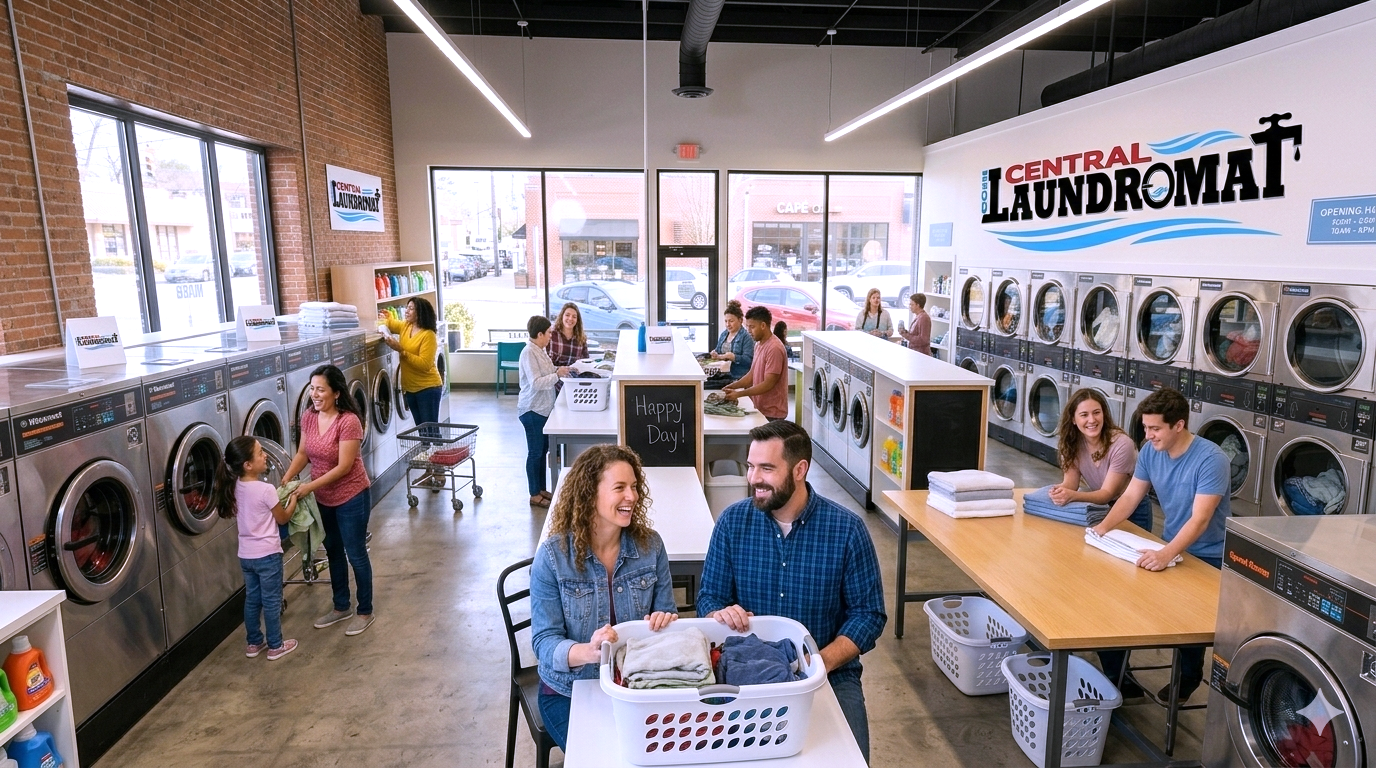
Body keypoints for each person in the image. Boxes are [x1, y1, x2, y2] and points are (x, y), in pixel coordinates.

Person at [697, 420, 886, 763]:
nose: (754, 478)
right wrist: (719, 613)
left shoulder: (847, 530)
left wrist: (818, 663)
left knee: (850, 761)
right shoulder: (732, 522)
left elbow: (868, 615)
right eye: (751, 466)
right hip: (744, 671)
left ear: (800, 470)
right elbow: (709, 597)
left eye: (767, 468)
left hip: (829, 674)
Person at [530, 445, 679, 751]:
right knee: (605, 756)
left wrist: (664, 621)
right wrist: (588, 651)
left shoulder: (651, 546)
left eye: (634, 487)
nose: (632, 497)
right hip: (569, 692)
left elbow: (667, 615)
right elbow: (544, 643)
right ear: (589, 494)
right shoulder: (553, 557)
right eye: (620, 488)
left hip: (638, 687)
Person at [1089, 387, 1230, 703]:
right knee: (1116, 599)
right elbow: (1129, 497)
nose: (1148, 435)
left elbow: (1200, 519)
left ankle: (1189, 675)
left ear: (1178, 425)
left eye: (1155, 429)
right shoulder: (1151, 452)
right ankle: (1118, 677)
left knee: (1187, 619)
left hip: (1210, 555)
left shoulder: (1211, 460)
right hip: (1171, 545)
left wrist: (1167, 554)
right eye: (1146, 428)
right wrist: (1100, 530)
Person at [283, 364, 376, 637]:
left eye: (320, 389)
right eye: (312, 388)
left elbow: (344, 467)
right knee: (333, 550)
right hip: (322, 497)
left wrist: (308, 486)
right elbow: (303, 453)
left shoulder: (349, 421)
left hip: (352, 495)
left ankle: (365, 611)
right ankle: (340, 606)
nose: (315, 394)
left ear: (336, 392)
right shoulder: (309, 416)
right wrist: (287, 477)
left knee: (355, 553)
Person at [213, 436, 298, 661]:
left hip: (246, 556)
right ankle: (276, 645)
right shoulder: (266, 489)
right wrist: (293, 501)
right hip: (268, 555)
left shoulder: (235, 487)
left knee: (253, 599)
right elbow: (282, 519)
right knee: (271, 601)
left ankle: (253, 643)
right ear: (247, 465)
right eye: (260, 453)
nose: (266, 455)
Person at [1051, 388, 1153, 532]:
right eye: (1084, 415)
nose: (1092, 420)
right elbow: (1071, 484)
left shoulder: (1121, 444)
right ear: (1073, 419)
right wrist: (1059, 491)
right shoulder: (1071, 443)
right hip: (1098, 506)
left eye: (1097, 413)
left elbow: (1107, 494)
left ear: (1104, 414)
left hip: (1132, 511)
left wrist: (1072, 496)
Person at [378, 297, 444, 487]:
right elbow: (390, 323)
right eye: (406, 308)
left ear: (420, 313)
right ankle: (429, 470)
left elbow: (425, 365)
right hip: (411, 389)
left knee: (431, 431)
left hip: (428, 388)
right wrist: (385, 318)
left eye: (411, 309)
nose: (407, 312)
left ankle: (439, 474)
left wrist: (402, 351)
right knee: (423, 431)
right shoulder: (406, 327)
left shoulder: (428, 335)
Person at [519, 315, 570, 507]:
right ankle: (534, 494)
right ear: (539, 334)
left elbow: (548, 372)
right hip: (532, 410)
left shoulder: (540, 350)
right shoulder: (528, 353)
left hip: (543, 409)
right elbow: (537, 382)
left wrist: (561, 370)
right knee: (535, 452)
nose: (550, 336)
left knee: (542, 451)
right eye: (548, 333)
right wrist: (557, 375)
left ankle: (540, 488)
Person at [723, 306, 789, 421]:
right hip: (760, 408)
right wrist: (734, 386)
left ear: (763, 325)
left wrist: (739, 394)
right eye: (747, 326)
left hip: (773, 412)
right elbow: (752, 374)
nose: (748, 331)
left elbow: (768, 384)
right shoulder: (758, 344)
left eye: (752, 327)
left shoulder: (774, 348)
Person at [709, 299, 754, 380]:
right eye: (726, 321)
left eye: (731, 321)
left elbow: (749, 361)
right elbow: (718, 351)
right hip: (722, 375)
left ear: (740, 320)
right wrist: (715, 353)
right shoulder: (724, 334)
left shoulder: (747, 337)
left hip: (739, 377)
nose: (728, 324)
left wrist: (734, 357)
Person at [547, 302, 589, 368]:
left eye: (574, 317)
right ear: (562, 316)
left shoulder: (581, 338)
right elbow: (543, 361)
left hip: (574, 377)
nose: (570, 319)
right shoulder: (551, 334)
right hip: (554, 376)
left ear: (577, 320)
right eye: (567, 315)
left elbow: (586, 362)